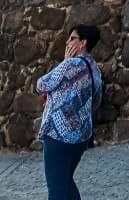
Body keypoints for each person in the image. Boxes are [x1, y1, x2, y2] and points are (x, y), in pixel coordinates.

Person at [37, 24, 102, 200]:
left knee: (57, 188)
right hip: (82, 135)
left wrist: (65, 61)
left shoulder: (70, 64)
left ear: (83, 42)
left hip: (59, 136)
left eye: (72, 38)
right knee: (65, 181)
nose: (67, 41)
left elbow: (41, 83)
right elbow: (95, 101)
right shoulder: (93, 66)